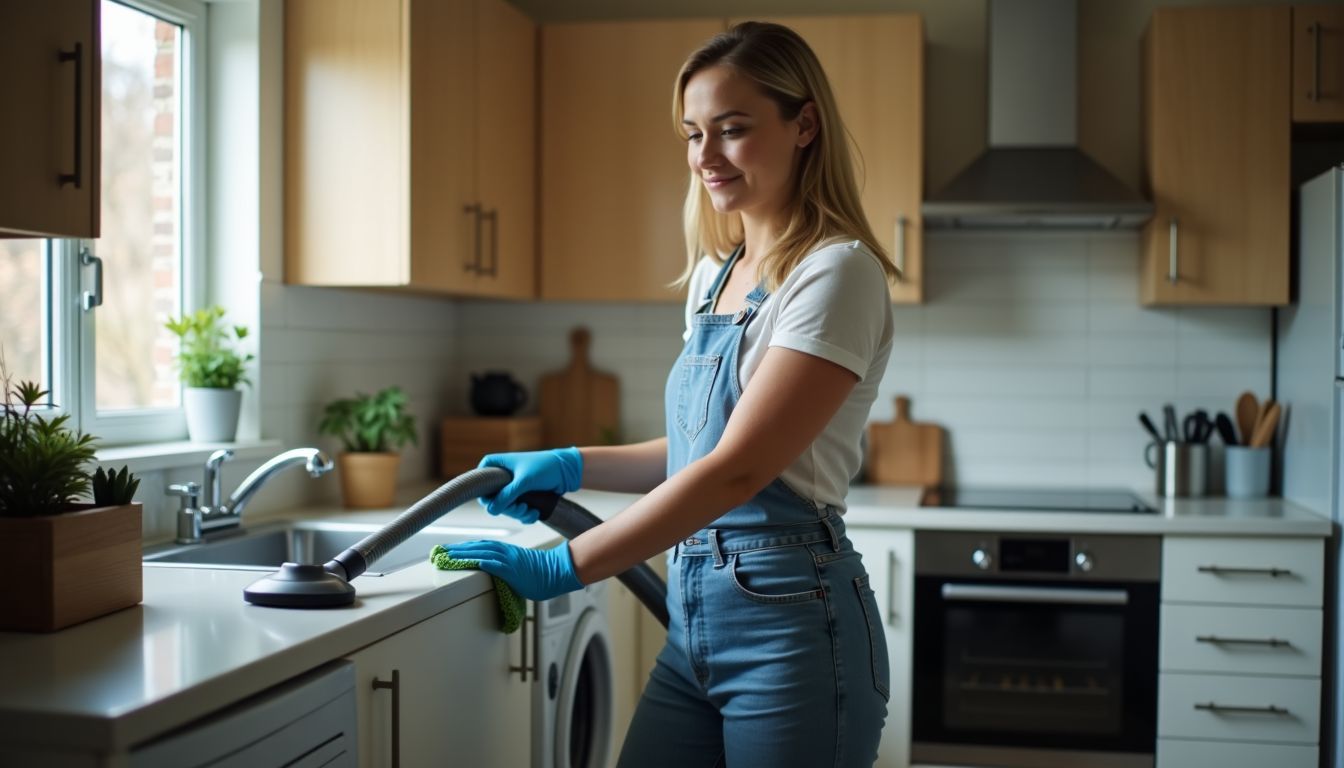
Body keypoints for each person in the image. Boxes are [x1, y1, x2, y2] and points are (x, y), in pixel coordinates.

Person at [443, 20, 899, 768]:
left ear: (804, 125)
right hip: (695, 631)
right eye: (693, 134)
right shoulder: (718, 277)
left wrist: (566, 565)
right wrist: (567, 461)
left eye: (732, 130)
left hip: (794, 629)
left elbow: (739, 470)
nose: (705, 157)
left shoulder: (835, 273)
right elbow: (696, 453)